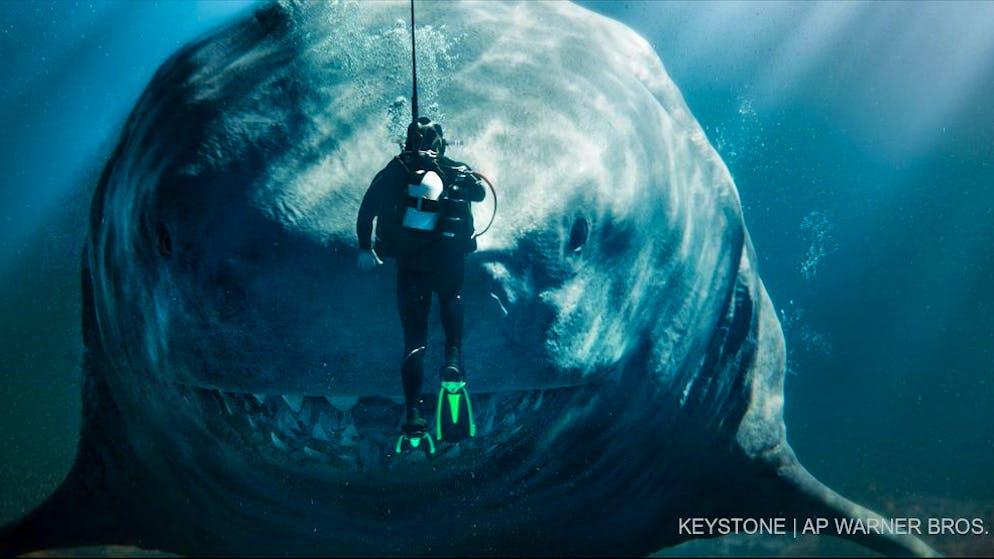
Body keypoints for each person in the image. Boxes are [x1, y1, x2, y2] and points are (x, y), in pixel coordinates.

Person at [356, 117, 486, 446]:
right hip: (449, 259)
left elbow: (367, 209)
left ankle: (413, 414)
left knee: (414, 337)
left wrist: (364, 248)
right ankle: (452, 360)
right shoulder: (456, 168)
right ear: (442, 142)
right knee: (451, 300)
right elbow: (481, 194)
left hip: (412, 262)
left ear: (406, 141)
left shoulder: (397, 169)